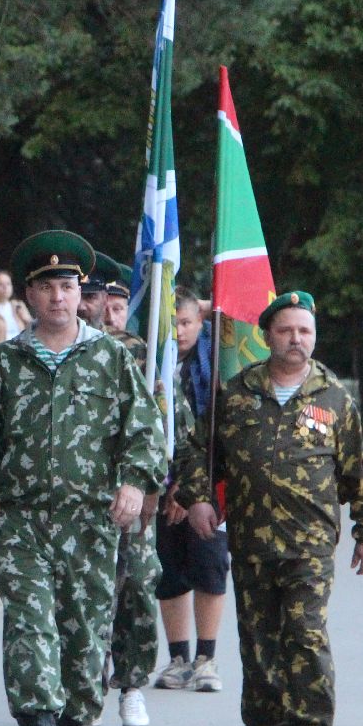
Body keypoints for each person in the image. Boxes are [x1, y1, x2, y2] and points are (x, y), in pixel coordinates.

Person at [0, 232, 164, 726]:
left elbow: (144, 432)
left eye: (67, 285)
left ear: (82, 293)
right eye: (47, 285)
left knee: (83, 629)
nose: (58, 296)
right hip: (24, 519)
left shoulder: (111, 357)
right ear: (28, 294)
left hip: (90, 520)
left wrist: (132, 483)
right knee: (28, 625)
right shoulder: (8, 361)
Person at [175, 291, 363, 726]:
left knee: (305, 632)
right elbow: (196, 453)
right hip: (251, 539)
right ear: (268, 336)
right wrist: (198, 499)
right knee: (258, 639)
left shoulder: (335, 398)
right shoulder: (234, 393)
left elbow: (358, 469)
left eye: (305, 331)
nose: (297, 339)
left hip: (309, 543)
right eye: (287, 330)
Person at [94, 255, 164, 726]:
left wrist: (156, 485)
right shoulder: (47, 351)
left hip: (132, 488)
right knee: (82, 595)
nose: (99, 305)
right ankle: (83, 692)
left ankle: (132, 683)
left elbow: (157, 420)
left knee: (138, 584)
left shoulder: (136, 352)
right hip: (76, 494)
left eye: (109, 298)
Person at [155, 286, 230, 693]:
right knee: (168, 570)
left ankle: (206, 657)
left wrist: (189, 489)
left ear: (201, 323)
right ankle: (178, 657)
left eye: (186, 322)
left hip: (206, 485)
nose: (180, 331)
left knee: (209, 566)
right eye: (172, 323)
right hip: (158, 485)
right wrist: (167, 487)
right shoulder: (150, 364)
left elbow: (215, 435)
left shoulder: (216, 366)